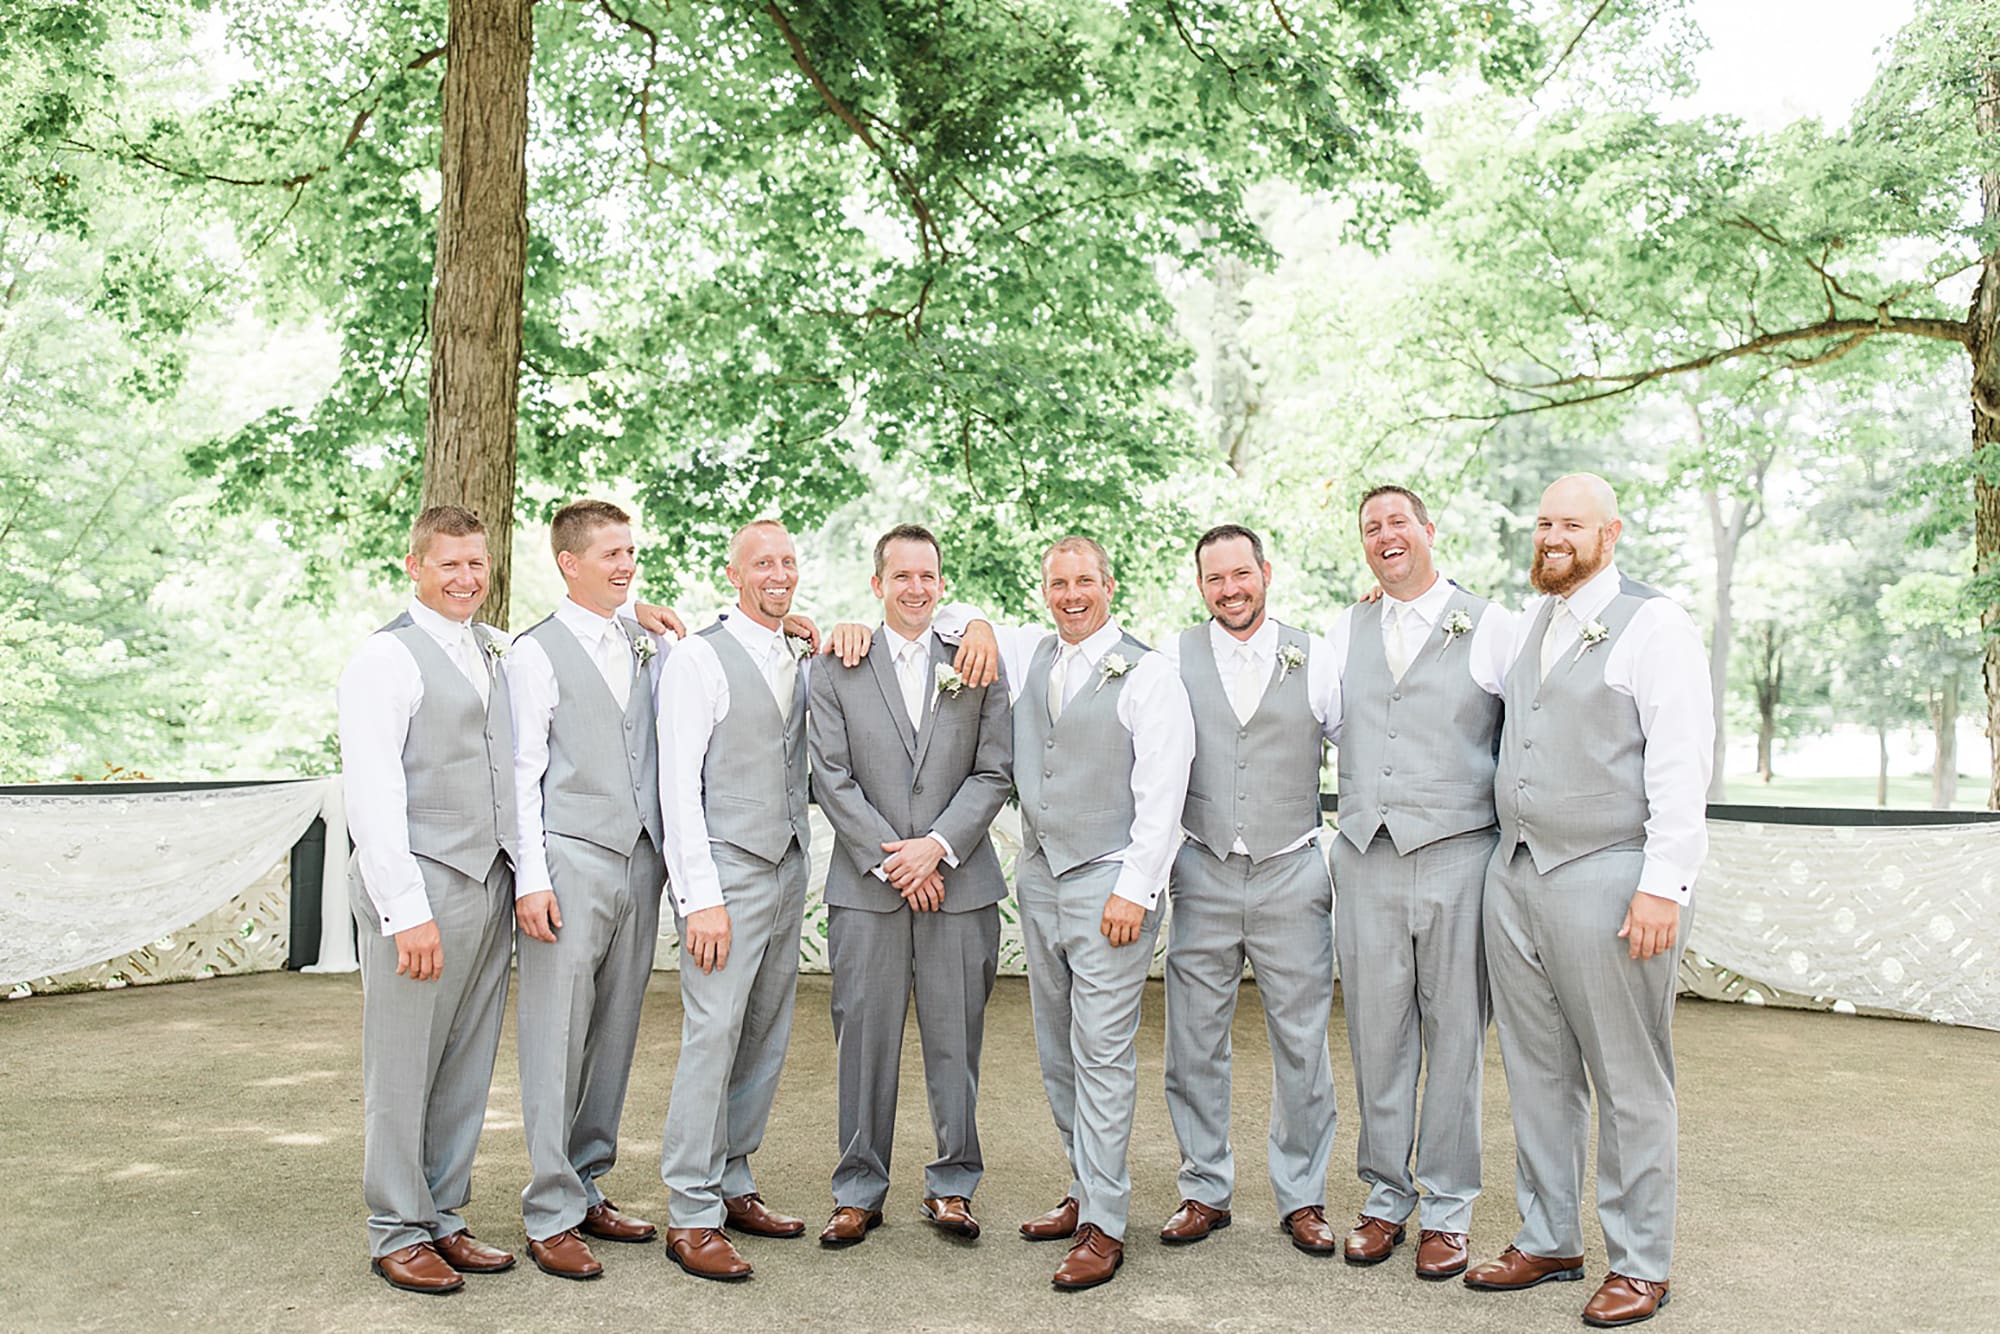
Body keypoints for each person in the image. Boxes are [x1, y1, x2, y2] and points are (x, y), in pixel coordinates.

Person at [1463, 474, 1712, 1329]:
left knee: (1629, 1077)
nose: (1552, 536)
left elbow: (1683, 760)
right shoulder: (1530, 621)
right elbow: (1439, 632)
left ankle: (1642, 1264)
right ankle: (1549, 1238)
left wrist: (1663, 885)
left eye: (1570, 523)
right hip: (1518, 878)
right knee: (1537, 1074)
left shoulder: (1657, 625)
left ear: (1611, 533)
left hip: (1612, 877)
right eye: (1542, 523)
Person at [930, 536, 1195, 1291]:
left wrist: (1135, 889)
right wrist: (979, 623)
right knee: (1056, 1050)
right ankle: (1085, 1187)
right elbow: (947, 614)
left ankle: (1105, 1225)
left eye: (1085, 581)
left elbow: (1164, 792)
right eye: (1057, 583)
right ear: (1043, 589)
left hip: (1110, 880)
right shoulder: (1027, 650)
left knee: (1103, 1054)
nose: (1071, 594)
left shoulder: (1150, 674)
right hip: (1041, 876)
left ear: (1111, 584)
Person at [806, 524, 1014, 1247]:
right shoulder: (836, 664)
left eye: (928, 575)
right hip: (868, 889)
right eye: (902, 577)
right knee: (862, 1041)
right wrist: (895, 859)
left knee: (957, 1041)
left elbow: (994, 771)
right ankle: (858, 1189)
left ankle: (954, 1186)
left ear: (941, 583)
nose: (916, 588)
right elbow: (830, 777)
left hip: (959, 884)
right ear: (877, 585)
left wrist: (937, 849)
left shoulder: (977, 660)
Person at [1325, 486, 1514, 1279]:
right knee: (1377, 1035)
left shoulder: (1494, 625)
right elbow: (1324, 723)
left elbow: (1530, 728)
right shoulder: (1344, 629)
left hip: (1458, 856)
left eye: (1398, 522)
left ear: (1430, 531)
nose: (1385, 535)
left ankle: (1447, 1207)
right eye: (1371, 528)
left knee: (1457, 1036)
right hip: (1366, 855)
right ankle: (1384, 1196)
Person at [337, 504, 520, 1294]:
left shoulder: (496, 647)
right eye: (449, 564)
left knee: (466, 1063)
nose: (466, 578)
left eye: (476, 564)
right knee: (403, 1064)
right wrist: (404, 908)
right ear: (414, 566)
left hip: (488, 879)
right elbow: (372, 790)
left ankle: (445, 1214)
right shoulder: (385, 659)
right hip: (420, 883)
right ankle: (395, 1228)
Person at [1152, 524, 1343, 1257]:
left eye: (1242, 574)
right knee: (1194, 1042)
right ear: (1199, 585)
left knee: (1302, 1043)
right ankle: (1204, 1189)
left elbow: (1362, 742)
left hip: (1293, 870)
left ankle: (1302, 1196)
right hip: (1202, 868)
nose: (1230, 589)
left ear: (1266, 571)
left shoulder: (1317, 653)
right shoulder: (1172, 656)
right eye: (1215, 579)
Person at [506, 500, 672, 1279]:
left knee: (614, 1031)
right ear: (568, 562)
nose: (624, 564)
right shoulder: (534, 653)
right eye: (608, 553)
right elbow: (519, 775)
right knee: (556, 1035)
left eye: (629, 552)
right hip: (569, 862)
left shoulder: (646, 642)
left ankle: (588, 1182)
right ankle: (548, 1211)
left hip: (641, 860)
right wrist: (531, 879)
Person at [654, 519, 818, 1281]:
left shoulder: (798, 649)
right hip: (725, 873)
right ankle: (689, 1210)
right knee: (712, 1032)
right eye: (762, 563)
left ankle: (734, 1179)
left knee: (764, 1031)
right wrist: (700, 900)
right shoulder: (697, 659)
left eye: (787, 562)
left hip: (787, 866)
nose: (777, 574)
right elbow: (677, 786)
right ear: (733, 574)